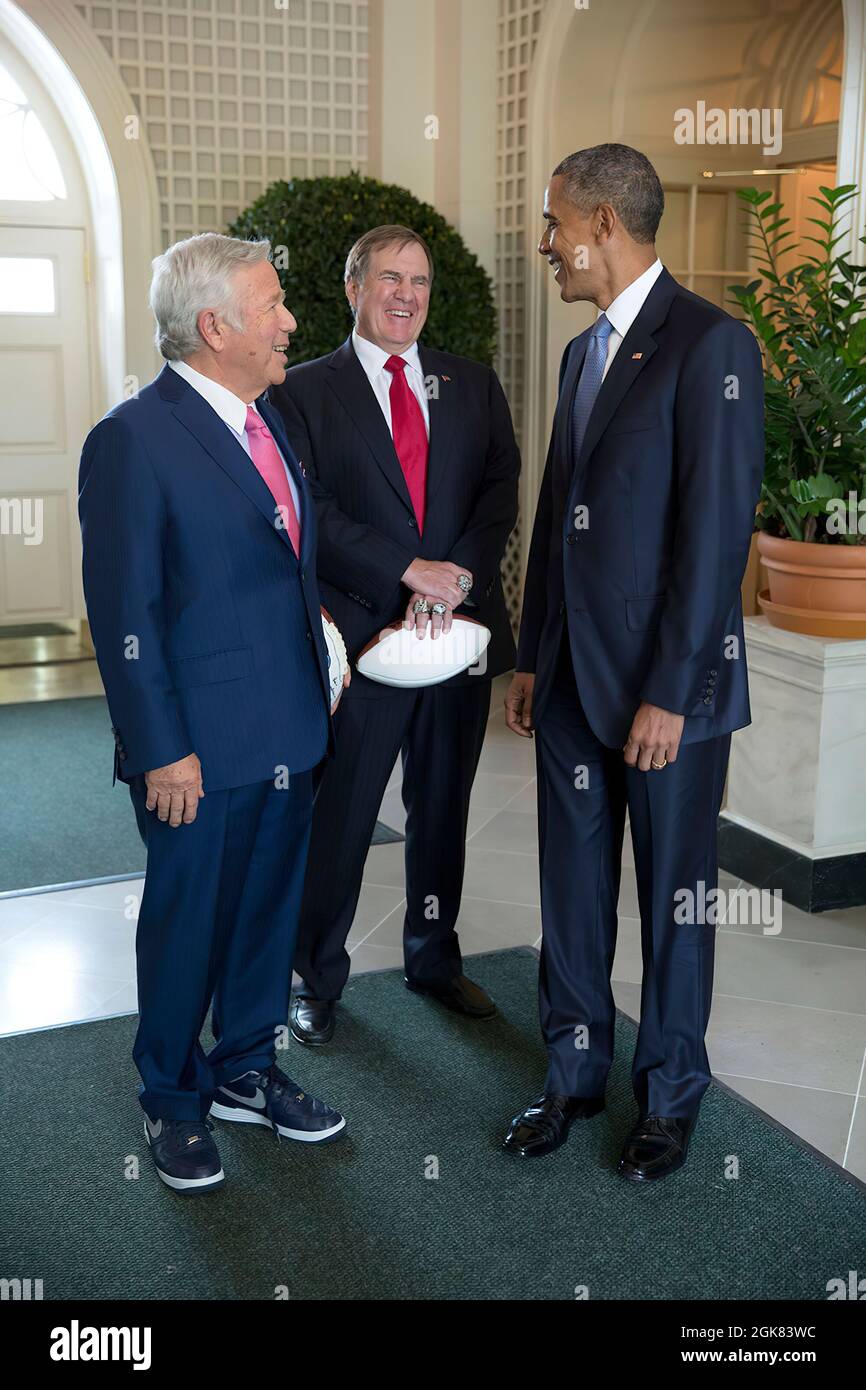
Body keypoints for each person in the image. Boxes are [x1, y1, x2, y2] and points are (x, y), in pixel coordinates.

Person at [502, 145, 764, 1180]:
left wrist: (669, 690)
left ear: (603, 222)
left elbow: (713, 540)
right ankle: (569, 1074)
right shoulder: (579, 354)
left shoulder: (713, 345)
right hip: (568, 681)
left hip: (667, 699)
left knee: (670, 901)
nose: (545, 243)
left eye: (554, 222)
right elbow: (556, 509)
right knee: (569, 889)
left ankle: (667, 1098)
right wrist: (529, 654)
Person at [79, 233, 347, 1196]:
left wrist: (319, 641)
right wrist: (161, 750)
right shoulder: (131, 440)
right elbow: (126, 616)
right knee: (187, 924)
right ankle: (173, 1099)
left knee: (266, 917)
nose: (289, 320)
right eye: (272, 304)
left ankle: (245, 1067)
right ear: (214, 326)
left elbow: (271, 562)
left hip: (287, 727)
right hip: (195, 749)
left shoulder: (266, 419)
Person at [270, 225, 520, 1046]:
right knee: (343, 814)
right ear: (353, 289)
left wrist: (459, 580)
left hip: (455, 637)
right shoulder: (302, 391)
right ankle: (315, 974)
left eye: (418, 280)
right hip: (364, 638)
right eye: (389, 278)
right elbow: (308, 510)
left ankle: (434, 959)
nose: (406, 294)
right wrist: (407, 570)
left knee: (443, 808)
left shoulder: (472, 384)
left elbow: (498, 490)